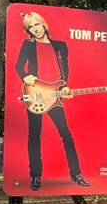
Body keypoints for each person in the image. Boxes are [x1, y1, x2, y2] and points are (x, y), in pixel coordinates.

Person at [15, 11, 90, 190]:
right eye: (30, 27)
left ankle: (76, 173)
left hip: (55, 94)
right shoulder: (27, 45)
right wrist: (26, 77)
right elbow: (18, 67)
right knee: (34, 135)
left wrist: (65, 86)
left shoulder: (60, 46)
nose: (35, 29)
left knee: (66, 135)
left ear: (44, 24)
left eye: (37, 24)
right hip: (35, 94)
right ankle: (36, 176)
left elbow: (66, 69)